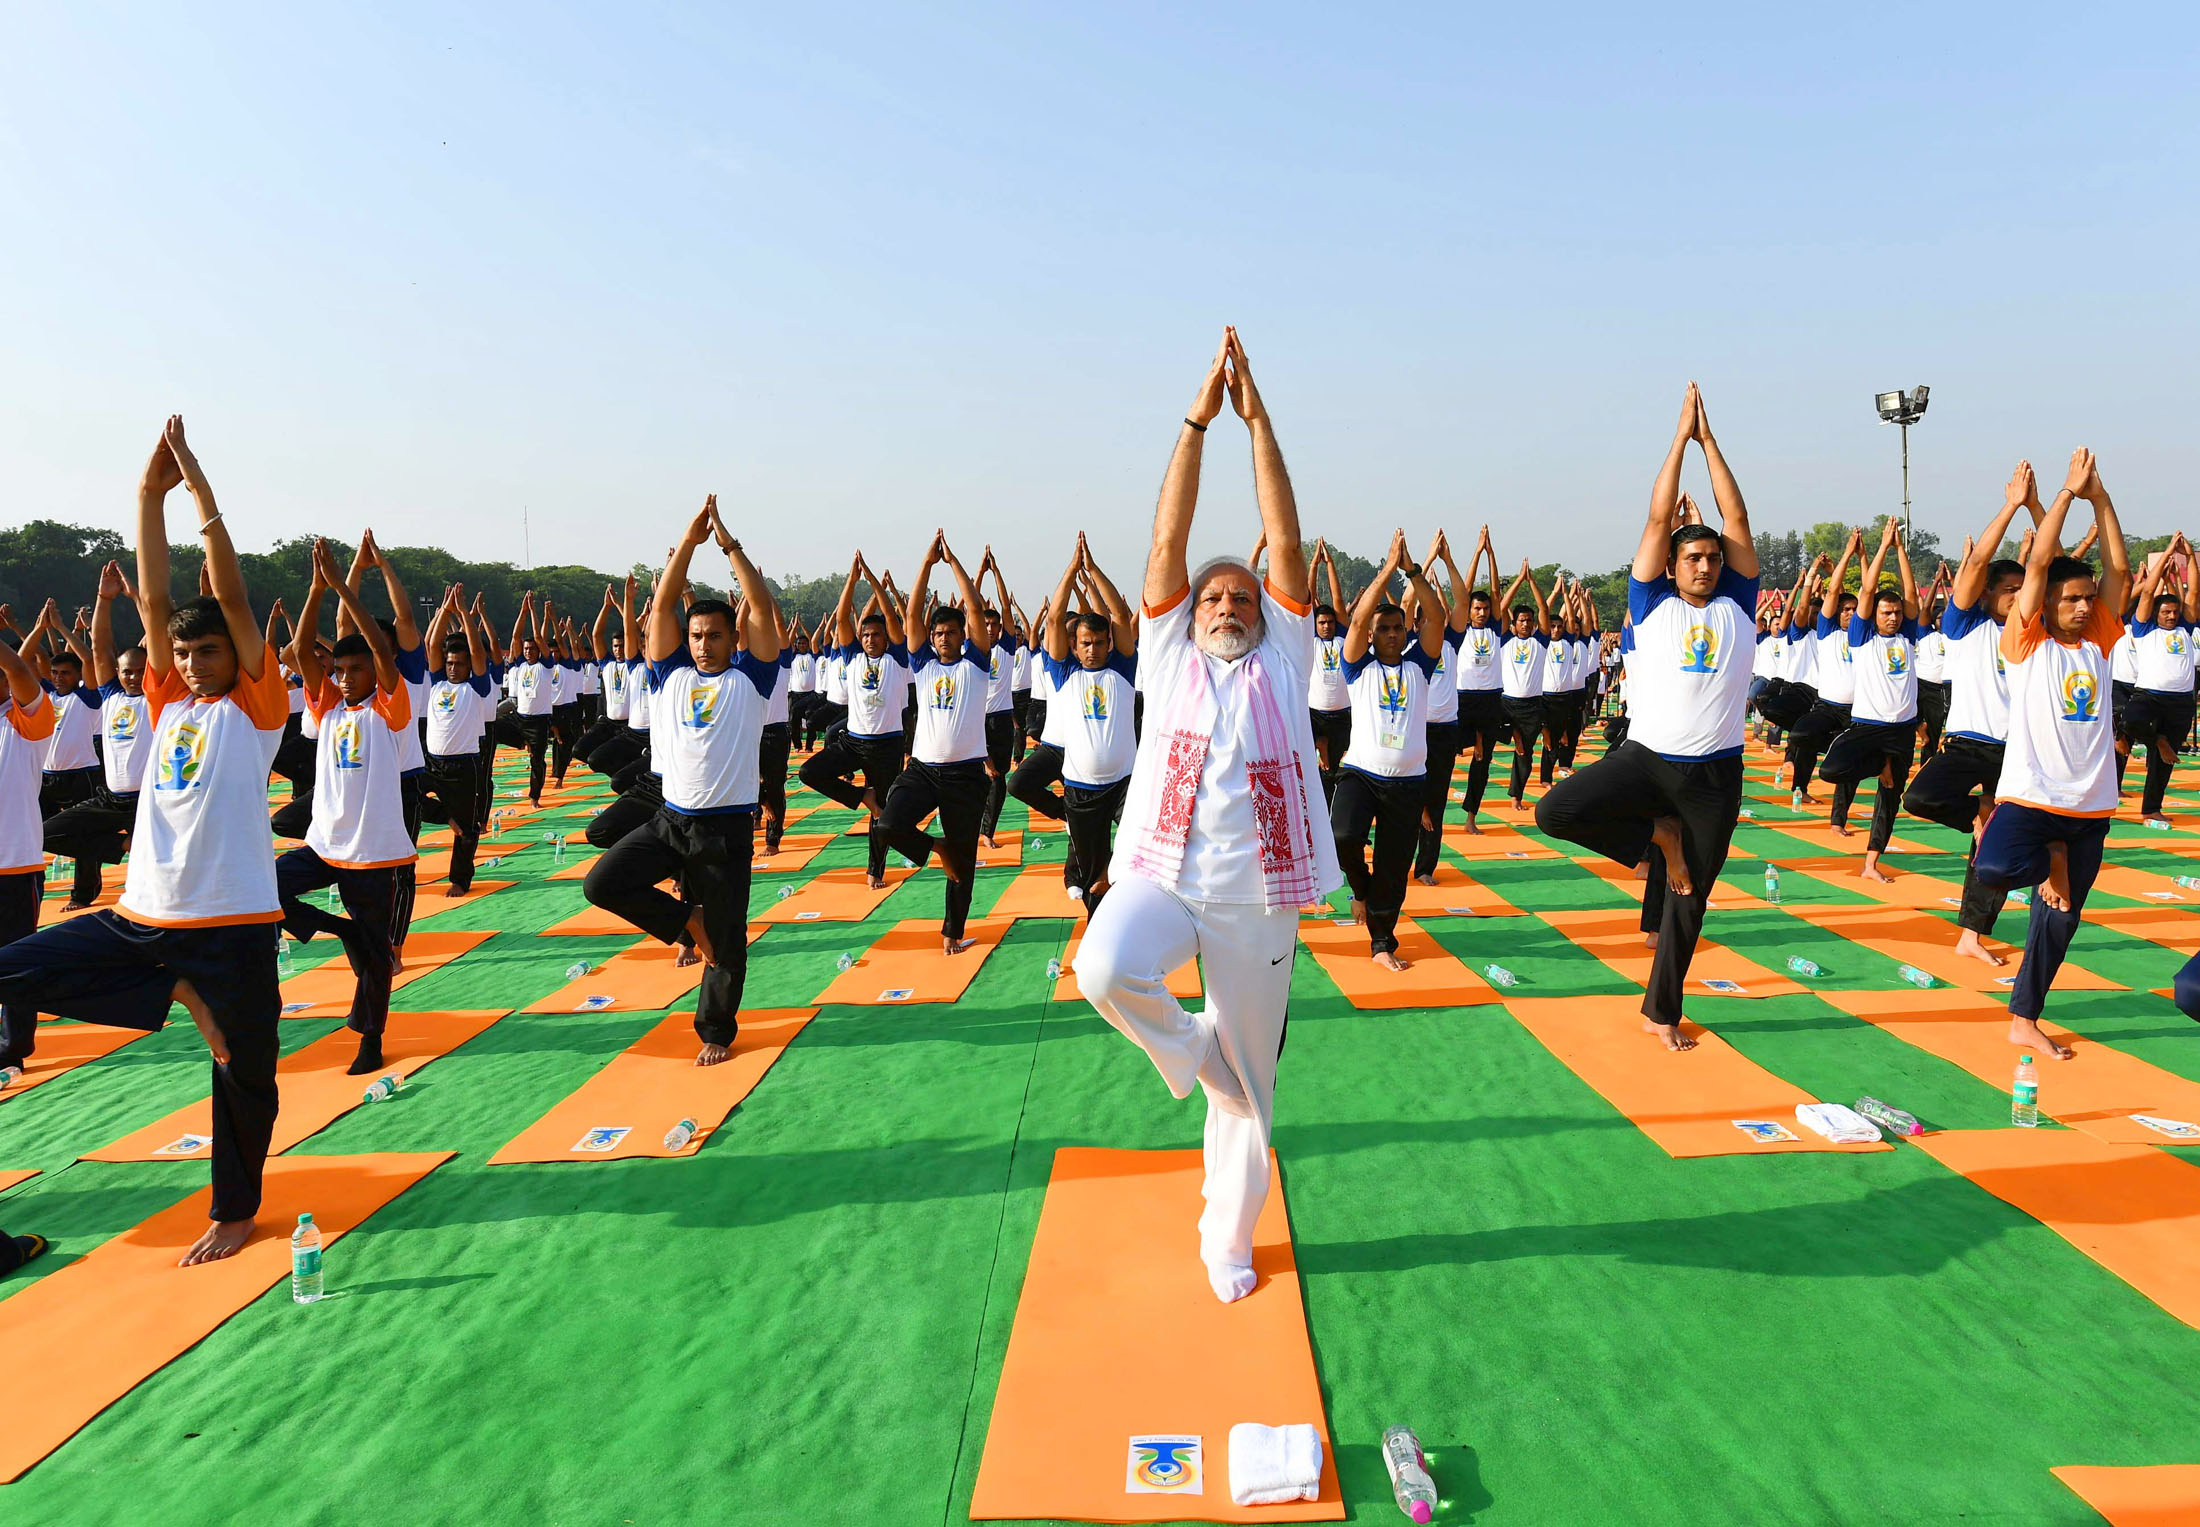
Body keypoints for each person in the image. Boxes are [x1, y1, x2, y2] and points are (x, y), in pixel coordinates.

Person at [1075, 328, 1339, 1306]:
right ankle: (1193, 1056)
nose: (1226, 601)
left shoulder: (1283, 659)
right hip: (1161, 874)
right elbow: (1166, 542)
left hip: (1257, 900)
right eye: (1212, 595)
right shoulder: (1166, 656)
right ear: (1189, 612)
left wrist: (1259, 422)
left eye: (1242, 594)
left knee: (1254, 1098)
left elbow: (1287, 533)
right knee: (1102, 967)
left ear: (1268, 612)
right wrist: (1196, 424)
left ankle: (1225, 1241)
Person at [0, 416, 288, 1266]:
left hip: (231, 926)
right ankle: (172, 994)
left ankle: (235, 1209)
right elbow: (156, 600)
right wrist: (142, 496)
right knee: (13, 965)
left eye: (209, 652)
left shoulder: (256, 709)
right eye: (186, 653)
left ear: (236, 659)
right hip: (142, 915)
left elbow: (227, 596)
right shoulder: (165, 701)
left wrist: (198, 489)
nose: (194, 661)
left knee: (246, 1075)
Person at [1537, 383, 1758, 1052]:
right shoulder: (1652, 597)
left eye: (1713, 557)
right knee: (1555, 812)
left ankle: (1661, 1011)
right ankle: (1653, 838)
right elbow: (1659, 516)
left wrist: (1712, 443)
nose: (1706, 564)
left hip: (1714, 774)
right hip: (1645, 759)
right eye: (1694, 557)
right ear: (1672, 564)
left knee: (1690, 901)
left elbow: (1739, 519)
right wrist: (1680, 438)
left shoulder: (1740, 601)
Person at [584, 496, 780, 1065]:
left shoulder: (752, 681)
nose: (702, 644)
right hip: (669, 821)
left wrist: (727, 545)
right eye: (696, 636)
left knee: (726, 941)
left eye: (714, 636)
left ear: (731, 640)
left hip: (724, 831)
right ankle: (681, 919)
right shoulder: (667, 675)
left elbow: (763, 611)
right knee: (601, 884)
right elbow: (665, 601)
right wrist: (688, 542)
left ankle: (715, 1031)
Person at [1972, 449, 2130, 1060]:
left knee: (2061, 923)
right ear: (2045, 607)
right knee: (1991, 870)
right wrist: (2063, 496)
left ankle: (2024, 1017)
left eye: (2089, 599)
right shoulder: (2028, 639)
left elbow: (2117, 565)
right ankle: (2050, 862)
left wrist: (2102, 497)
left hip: (2090, 804)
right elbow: (2039, 560)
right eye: (2072, 600)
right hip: (2032, 795)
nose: (2085, 606)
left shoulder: (2100, 639)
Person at [275, 540, 415, 1074]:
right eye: (341, 671)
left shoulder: (388, 707)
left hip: (375, 853)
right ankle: (340, 931)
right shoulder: (328, 708)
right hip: (326, 845)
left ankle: (370, 1038)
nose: (346, 677)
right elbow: (297, 651)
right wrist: (315, 590)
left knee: (375, 961)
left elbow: (382, 653)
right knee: (266, 886)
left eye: (355, 670)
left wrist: (341, 587)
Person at [1902, 462, 2039, 965]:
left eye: (2025, 591)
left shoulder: (2033, 631)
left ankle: (1971, 936)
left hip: (2016, 753)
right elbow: (1979, 560)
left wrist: (2042, 512)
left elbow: (2053, 564)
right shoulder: (1965, 624)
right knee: (1919, 797)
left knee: (1992, 850)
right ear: (1985, 594)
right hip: (1966, 744)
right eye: (2009, 591)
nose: (2019, 598)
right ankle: (1978, 813)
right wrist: (2011, 505)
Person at [1331, 530, 1445, 968]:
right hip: (1361, 773)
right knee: (1343, 836)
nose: (1393, 635)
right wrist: (1385, 570)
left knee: (1394, 868)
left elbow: (1434, 619)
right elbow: (1356, 622)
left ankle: (1382, 943)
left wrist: (1412, 569)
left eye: (1399, 628)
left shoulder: (1419, 665)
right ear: (1375, 635)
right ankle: (1360, 890)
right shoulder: (1359, 667)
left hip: (1408, 783)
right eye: (1385, 630)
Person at [879, 533, 993, 955]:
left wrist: (956, 563)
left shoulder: (977, 665)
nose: (943, 637)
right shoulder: (923, 664)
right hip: (923, 770)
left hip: (965, 775)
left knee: (962, 863)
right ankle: (934, 848)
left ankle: (952, 932)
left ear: (962, 635)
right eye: (938, 632)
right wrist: (926, 564)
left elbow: (977, 608)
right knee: (889, 825)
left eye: (950, 632)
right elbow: (910, 616)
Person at [1036, 533, 1140, 914]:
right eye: (1085, 643)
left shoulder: (1123, 669)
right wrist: (1070, 570)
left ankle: (1124, 896)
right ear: (1075, 646)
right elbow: (1052, 618)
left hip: (1125, 785)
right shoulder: (1065, 673)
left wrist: (1093, 570)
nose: (1093, 649)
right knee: (1090, 869)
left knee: (1140, 849)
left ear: (1108, 644)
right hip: (1080, 791)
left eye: (1099, 642)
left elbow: (1119, 616)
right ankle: (1099, 923)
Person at [1815, 517, 1923, 882]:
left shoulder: (1908, 636)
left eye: (1895, 613)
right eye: (1886, 612)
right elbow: (1866, 590)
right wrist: (1879, 550)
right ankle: (1878, 764)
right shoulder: (1862, 637)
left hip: (1902, 729)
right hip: (1867, 726)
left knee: (1890, 801)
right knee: (1831, 771)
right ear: (1873, 615)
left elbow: (1912, 595)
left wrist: (1901, 550)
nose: (1893, 617)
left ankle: (1871, 864)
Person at [42, 561, 152, 909]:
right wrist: (103, 600)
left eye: (138, 672)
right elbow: (100, 649)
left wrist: (137, 598)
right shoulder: (111, 695)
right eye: (126, 672)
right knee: (48, 832)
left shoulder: (158, 699)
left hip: (148, 799)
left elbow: (159, 634)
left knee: (158, 876)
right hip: (110, 798)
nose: (132, 678)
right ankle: (124, 845)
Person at [797, 554, 910, 889]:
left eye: (876, 635)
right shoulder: (852, 658)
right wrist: (851, 578)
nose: (871, 639)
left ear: (885, 639)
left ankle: (875, 870)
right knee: (808, 772)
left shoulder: (897, 660)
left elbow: (891, 617)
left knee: (884, 814)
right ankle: (863, 796)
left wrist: (877, 583)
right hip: (853, 740)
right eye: (866, 636)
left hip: (887, 745)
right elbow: (844, 617)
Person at [418, 585, 498, 898]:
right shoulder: (438, 682)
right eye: (450, 663)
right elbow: (430, 642)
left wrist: (464, 612)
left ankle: (460, 880)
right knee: (401, 795)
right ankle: (442, 816)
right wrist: (443, 610)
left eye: (459, 664)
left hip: (464, 766)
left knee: (467, 830)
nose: (453, 668)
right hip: (431, 762)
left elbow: (478, 652)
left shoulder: (476, 687)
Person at [2122, 536, 2198, 827]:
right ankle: (2157, 740)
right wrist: (2168, 552)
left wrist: (2189, 556)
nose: (2171, 616)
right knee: (2130, 721)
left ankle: (2151, 808)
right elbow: (2147, 592)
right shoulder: (2144, 629)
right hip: (2149, 696)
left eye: (2174, 612)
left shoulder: (2185, 629)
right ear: (2155, 614)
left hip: (2180, 702)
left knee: (2162, 764)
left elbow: (2192, 595)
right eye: (2165, 612)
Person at [1408, 531, 1471, 882]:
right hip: (1412, 730)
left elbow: (1461, 604)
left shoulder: (1451, 642)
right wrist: (1424, 563)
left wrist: (1447, 561)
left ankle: (1426, 867)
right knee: (1408, 800)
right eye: (1425, 618)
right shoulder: (1407, 647)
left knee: (1437, 801)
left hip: (1445, 730)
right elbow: (1405, 603)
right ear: (1417, 623)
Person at [1451, 526, 1505, 833]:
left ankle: (1471, 817)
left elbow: (1495, 591)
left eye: (1485, 608)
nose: (1482, 612)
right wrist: (1476, 551)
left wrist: (1491, 553)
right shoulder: (1462, 630)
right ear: (1469, 610)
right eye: (1477, 608)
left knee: (1482, 761)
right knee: (1445, 754)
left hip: (1490, 699)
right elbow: (1464, 589)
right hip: (1462, 698)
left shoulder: (1495, 629)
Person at [976, 555, 1024, 849]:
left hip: (1001, 719)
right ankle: (972, 827)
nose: (991, 629)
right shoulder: (972, 648)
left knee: (998, 779)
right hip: (974, 722)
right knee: (980, 776)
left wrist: (996, 573)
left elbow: (1006, 608)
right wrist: (979, 575)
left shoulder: (1006, 648)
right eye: (986, 625)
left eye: (994, 625)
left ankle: (986, 831)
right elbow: (969, 606)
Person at [1496, 558, 1552, 808]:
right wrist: (1519, 580)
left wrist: (1533, 582)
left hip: (1531, 706)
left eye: (1529, 620)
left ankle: (1516, 797)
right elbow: (1501, 606)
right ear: (1515, 623)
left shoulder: (1540, 642)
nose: (1526, 624)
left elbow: (1544, 609)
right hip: (1506, 704)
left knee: (1525, 756)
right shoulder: (1506, 640)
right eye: (1522, 620)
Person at [1305, 541, 1351, 797]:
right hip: (1315, 713)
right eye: (1321, 622)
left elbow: (1338, 599)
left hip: (1342, 714)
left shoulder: (1342, 637)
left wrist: (1331, 564)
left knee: (1331, 768)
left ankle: (1327, 812)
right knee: (1319, 764)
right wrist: (1314, 565)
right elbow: (1307, 597)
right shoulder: (1309, 637)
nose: (1325, 626)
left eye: (1329, 622)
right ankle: (1319, 743)